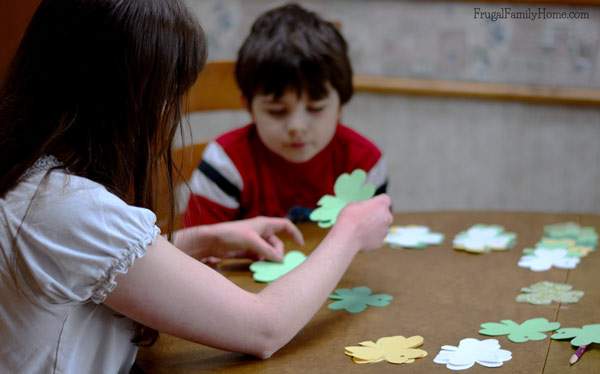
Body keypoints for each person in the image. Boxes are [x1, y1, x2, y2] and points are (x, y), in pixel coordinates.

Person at [0, 1, 393, 372]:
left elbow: (90, 265)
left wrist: (200, 238)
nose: (168, 114)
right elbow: (264, 328)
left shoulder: (34, 180)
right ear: (120, 102)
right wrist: (350, 231)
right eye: (168, 96)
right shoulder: (70, 207)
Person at [183, 3, 388, 226]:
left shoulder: (365, 164)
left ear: (341, 106)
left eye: (316, 108)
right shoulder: (224, 164)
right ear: (249, 107)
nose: (297, 127)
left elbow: (374, 246)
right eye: (277, 111)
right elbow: (198, 249)